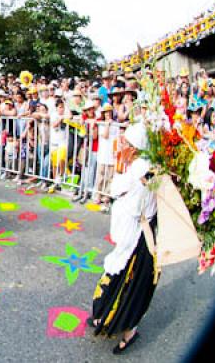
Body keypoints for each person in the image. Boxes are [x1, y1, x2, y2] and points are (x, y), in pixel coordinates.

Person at [90, 123, 158, 355]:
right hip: (131, 234)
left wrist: (121, 170)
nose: (122, 146)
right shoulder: (139, 166)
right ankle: (104, 316)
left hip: (137, 237)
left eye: (126, 143)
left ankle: (129, 331)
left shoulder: (140, 169)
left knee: (130, 283)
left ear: (136, 148)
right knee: (117, 276)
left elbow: (118, 191)